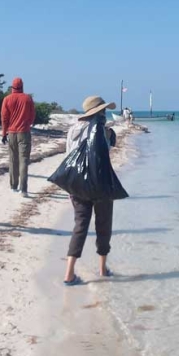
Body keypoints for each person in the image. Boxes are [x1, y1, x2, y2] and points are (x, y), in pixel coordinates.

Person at [63, 96, 119, 286]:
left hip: (77, 185)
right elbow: (109, 150)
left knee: (80, 226)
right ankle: (103, 269)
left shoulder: (73, 130)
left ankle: (69, 273)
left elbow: (68, 156)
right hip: (101, 185)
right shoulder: (104, 131)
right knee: (104, 226)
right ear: (101, 112)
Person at [0, 77, 35, 197]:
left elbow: (4, 118)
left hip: (11, 132)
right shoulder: (28, 98)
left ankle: (13, 186)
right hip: (24, 132)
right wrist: (26, 124)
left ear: (12, 87)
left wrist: (4, 133)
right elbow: (32, 117)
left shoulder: (7, 99)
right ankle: (23, 189)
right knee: (24, 160)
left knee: (13, 160)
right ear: (22, 86)